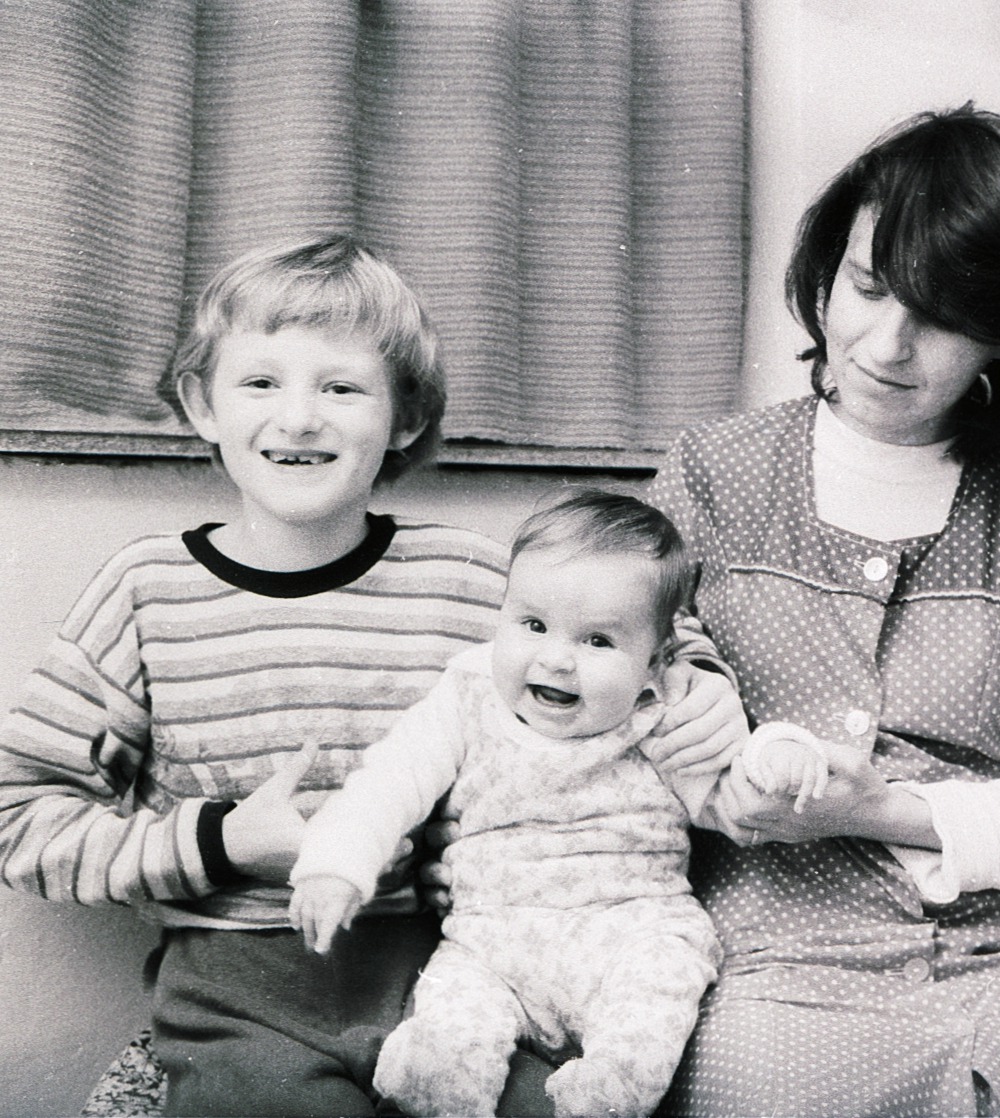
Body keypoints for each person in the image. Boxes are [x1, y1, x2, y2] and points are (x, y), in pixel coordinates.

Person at [0, 236, 744, 1117]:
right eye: (261, 381)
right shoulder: (145, 593)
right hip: (239, 993)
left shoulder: (476, 582)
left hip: (450, 971)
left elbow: (641, 628)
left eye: (341, 387)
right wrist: (222, 843)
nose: (300, 417)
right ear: (203, 404)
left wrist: (703, 683)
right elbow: (20, 820)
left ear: (402, 420)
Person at [645, 105, 1000, 1117]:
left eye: (941, 315)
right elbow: (608, 713)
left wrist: (881, 811)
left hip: (995, 968)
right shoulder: (711, 474)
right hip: (765, 961)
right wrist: (707, 767)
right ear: (829, 263)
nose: (887, 344)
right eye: (867, 286)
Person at [288, 489, 726, 1118]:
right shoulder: (467, 698)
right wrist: (335, 864)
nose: (555, 658)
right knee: (446, 1036)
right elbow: (389, 780)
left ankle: (607, 1098)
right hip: (490, 942)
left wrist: (780, 757)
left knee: (656, 1000)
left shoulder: (661, 714)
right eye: (533, 625)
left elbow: (732, 801)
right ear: (502, 615)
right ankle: (432, 1093)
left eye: (598, 641)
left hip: (631, 928)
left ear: (655, 659)